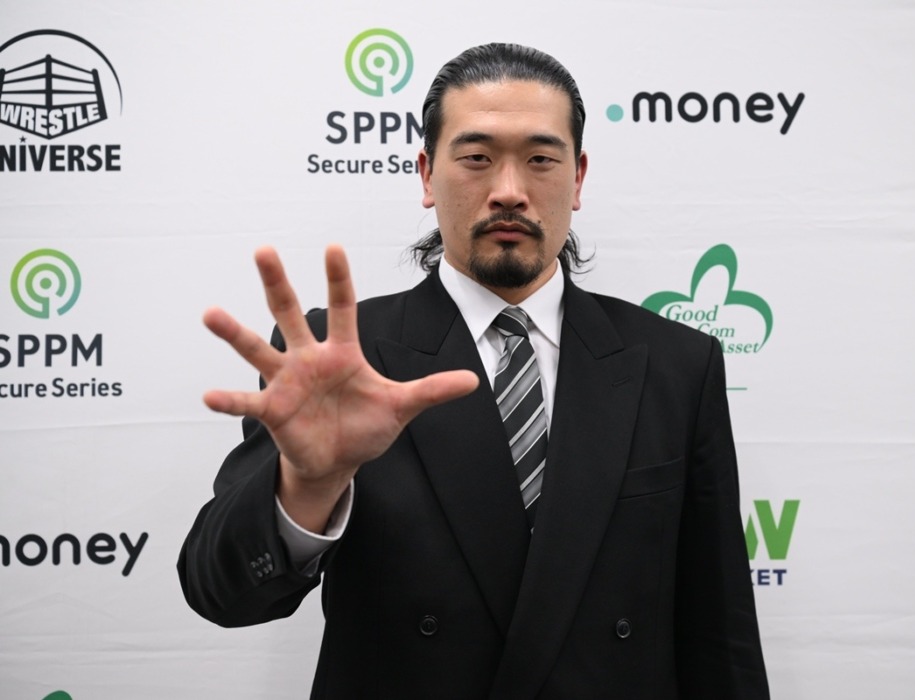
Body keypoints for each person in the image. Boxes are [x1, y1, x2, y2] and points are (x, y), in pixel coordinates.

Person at [178, 43, 769, 699]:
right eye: (477, 158)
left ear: (577, 178)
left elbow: (720, 635)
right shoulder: (339, 359)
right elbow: (221, 593)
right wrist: (308, 486)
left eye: (540, 159)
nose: (509, 191)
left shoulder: (676, 364)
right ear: (427, 175)